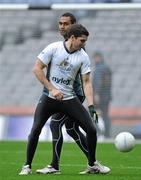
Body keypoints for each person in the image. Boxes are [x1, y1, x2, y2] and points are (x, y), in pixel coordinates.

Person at [19, 24, 110, 175]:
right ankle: (27, 166)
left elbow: (86, 82)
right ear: (72, 38)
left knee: (92, 130)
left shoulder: (83, 56)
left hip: (69, 99)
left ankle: (92, 164)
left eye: (85, 41)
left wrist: (91, 105)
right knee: (35, 130)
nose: (84, 44)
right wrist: (52, 89)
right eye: (82, 40)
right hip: (49, 98)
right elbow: (37, 69)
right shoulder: (53, 48)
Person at [35, 12, 89, 175]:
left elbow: (82, 78)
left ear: (73, 27)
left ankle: (54, 166)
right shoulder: (59, 46)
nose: (61, 27)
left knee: (55, 124)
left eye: (66, 24)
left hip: (71, 95)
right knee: (71, 129)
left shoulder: (77, 46)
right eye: (60, 23)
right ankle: (93, 161)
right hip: (61, 94)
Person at [92, 52, 112, 138]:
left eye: (95, 58)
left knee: (93, 113)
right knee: (105, 115)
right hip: (107, 96)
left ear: (98, 58)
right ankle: (107, 134)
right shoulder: (107, 68)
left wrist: (96, 94)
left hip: (99, 96)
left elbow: (98, 82)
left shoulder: (99, 68)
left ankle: (98, 131)